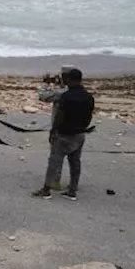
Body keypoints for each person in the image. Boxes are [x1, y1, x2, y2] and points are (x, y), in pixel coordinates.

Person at [32, 68, 95, 201]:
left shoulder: (65, 96)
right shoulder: (88, 96)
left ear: (67, 79)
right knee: (75, 162)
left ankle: (46, 189)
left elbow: (60, 114)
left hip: (64, 133)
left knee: (54, 161)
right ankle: (72, 191)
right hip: (79, 133)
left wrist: (53, 131)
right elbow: (88, 116)